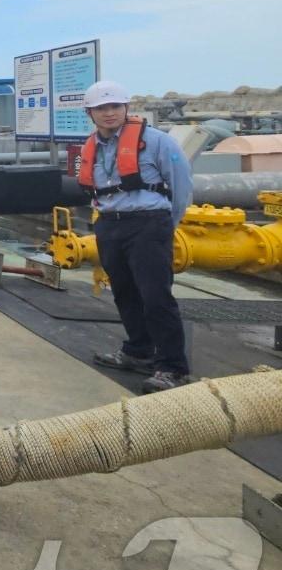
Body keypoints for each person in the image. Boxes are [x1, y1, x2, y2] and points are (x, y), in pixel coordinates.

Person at [83, 80, 194, 393]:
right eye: (101, 108)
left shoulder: (158, 142)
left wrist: (165, 225)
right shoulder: (92, 145)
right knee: (124, 292)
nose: (109, 113)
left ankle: (172, 367)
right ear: (90, 112)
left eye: (115, 106)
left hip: (148, 223)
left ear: (126, 108)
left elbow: (181, 186)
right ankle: (138, 352)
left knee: (156, 296)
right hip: (109, 223)